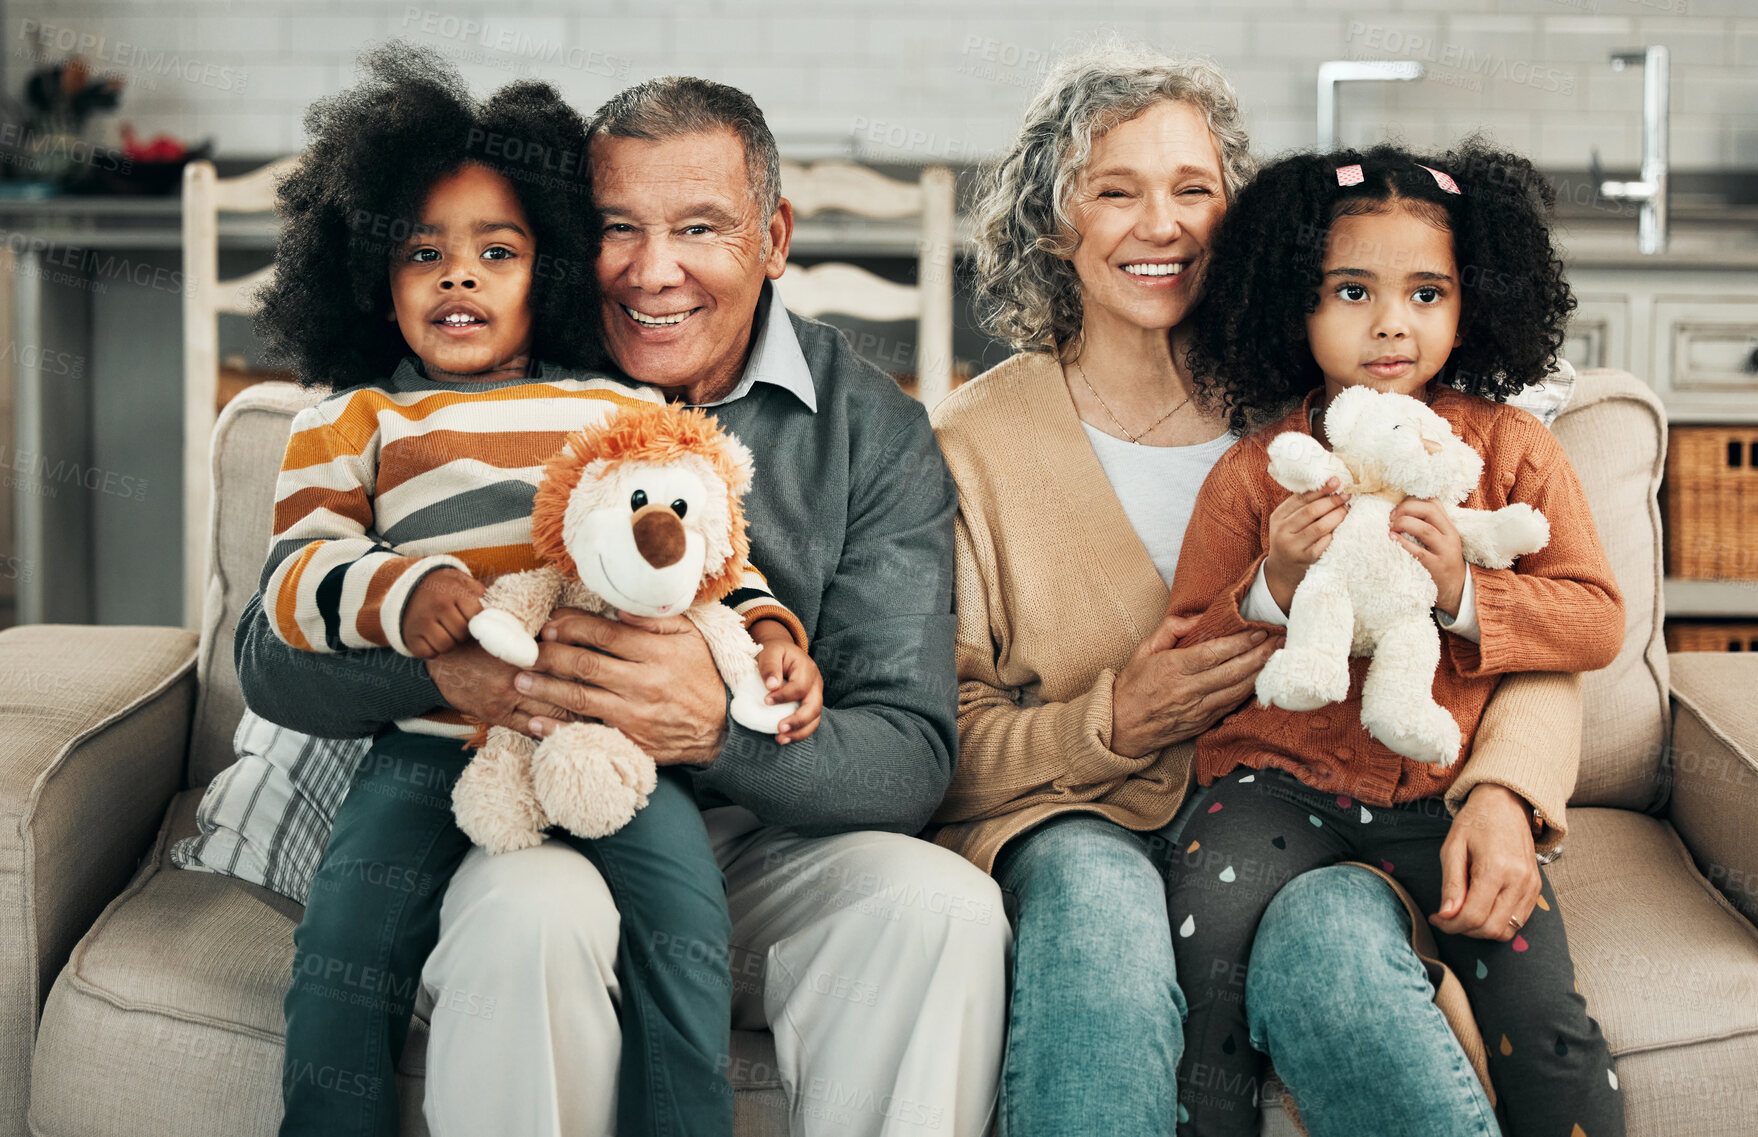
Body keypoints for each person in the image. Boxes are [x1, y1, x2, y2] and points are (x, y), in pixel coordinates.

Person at [234, 72, 1008, 1137]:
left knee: (944, 911)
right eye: (617, 229)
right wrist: (444, 664)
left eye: (700, 227)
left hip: (756, 835)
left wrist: (712, 727)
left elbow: (909, 755)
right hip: (517, 806)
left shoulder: (870, 432)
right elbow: (269, 653)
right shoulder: (494, 365)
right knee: (534, 917)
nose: (655, 272)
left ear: (773, 236)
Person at [930, 44, 1587, 1137]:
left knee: (1331, 934)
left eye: (1194, 189)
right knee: (1099, 902)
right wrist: (1107, 725)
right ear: (1054, 223)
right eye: (1115, 190)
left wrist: (1508, 792)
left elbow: (1524, 627)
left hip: (1323, 821)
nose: (1164, 225)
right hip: (1081, 816)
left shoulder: (1346, 403)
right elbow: (935, 741)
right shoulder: (971, 446)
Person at [1165, 141, 1624, 1137]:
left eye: (1426, 293)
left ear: (1474, 303)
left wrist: (1467, 592)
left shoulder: (1509, 452)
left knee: (1546, 1023)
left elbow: (1593, 617)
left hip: (1440, 795)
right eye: (1351, 291)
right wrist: (1273, 587)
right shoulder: (1257, 471)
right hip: (1268, 785)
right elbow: (1188, 641)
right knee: (1204, 978)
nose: (1390, 323)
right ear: (1295, 300)